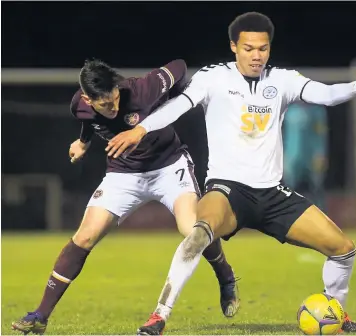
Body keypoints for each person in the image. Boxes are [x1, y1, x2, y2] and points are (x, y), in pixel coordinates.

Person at [105, 12, 356, 335]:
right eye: (249, 48)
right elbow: (179, 106)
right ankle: (159, 316)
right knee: (198, 233)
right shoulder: (212, 78)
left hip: (272, 194)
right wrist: (140, 129)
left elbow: (324, 95)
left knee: (344, 249)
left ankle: (336, 316)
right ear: (234, 46)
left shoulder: (283, 80)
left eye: (263, 48)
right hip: (228, 191)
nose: (257, 55)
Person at [11, 59, 239, 335]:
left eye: (115, 99)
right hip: (123, 175)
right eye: (105, 105)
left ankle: (224, 275)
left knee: (192, 230)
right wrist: (83, 142)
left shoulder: (143, 89)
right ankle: (40, 316)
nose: (114, 107)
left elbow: (179, 66)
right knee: (84, 237)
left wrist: (176, 101)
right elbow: (88, 122)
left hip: (169, 167)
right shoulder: (79, 105)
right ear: (87, 99)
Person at [283, 102, 329, 211]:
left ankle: (321, 219)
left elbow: (321, 134)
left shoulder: (318, 111)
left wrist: (321, 153)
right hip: (291, 156)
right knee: (288, 190)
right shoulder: (289, 111)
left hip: (312, 157)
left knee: (316, 189)